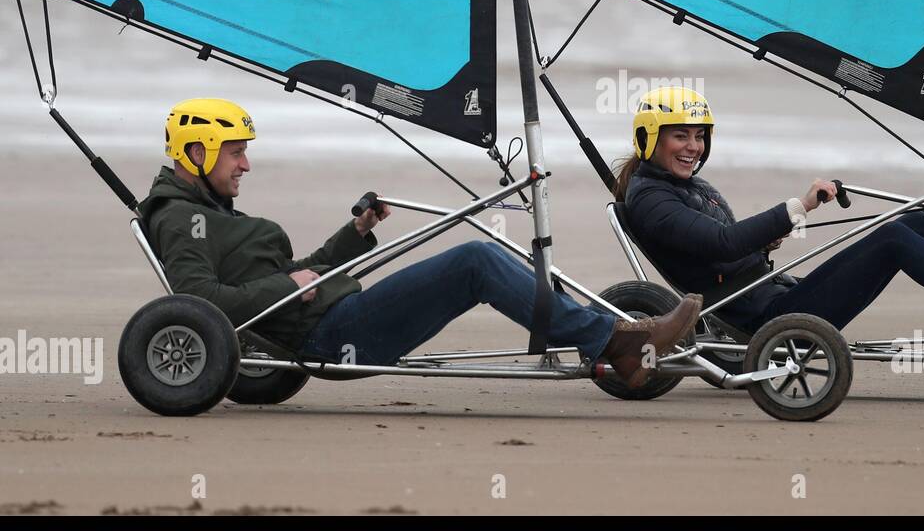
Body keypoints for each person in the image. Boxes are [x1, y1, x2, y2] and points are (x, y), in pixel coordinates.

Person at [140, 99, 699, 389]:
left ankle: (616, 339)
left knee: (479, 248)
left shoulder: (211, 214)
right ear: (197, 153)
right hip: (333, 337)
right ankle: (616, 343)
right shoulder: (179, 218)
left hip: (333, 315)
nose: (246, 164)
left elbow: (299, 277)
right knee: (476, 260)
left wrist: (352, 235)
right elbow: (198, 303)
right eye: (235, 152)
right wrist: (285, 284)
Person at [614, 87, 924, 342]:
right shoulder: (653, 199)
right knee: (893, 241)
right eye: (680, 136)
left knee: (910, 219)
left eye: (699, 137)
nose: (693, 148)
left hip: (779, 295)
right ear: (649, 139)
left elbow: (716, 250)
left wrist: (762, 244)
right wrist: (798, 207)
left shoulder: (682, 186)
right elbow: (721, 245)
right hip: (768, 321)